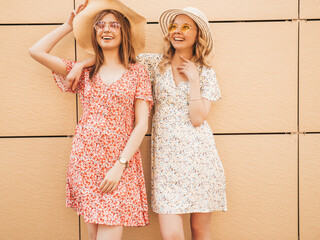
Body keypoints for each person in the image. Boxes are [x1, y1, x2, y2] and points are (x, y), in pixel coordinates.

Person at [67, 6, 227, 240]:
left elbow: (197, 118)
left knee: (200, 231)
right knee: (172, 235)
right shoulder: (153, 64)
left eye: (185, 27)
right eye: (174, 26)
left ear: (198, 35)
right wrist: (82, 64)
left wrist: (194, 79)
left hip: (200, 158)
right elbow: (115, 55)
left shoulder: (206, 73)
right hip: (166, 162)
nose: (178, 32)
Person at [29, 0, 153, 239]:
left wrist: (120, 165)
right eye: (100, 25)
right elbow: (36, 51)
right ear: (94, 33)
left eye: (114, 25)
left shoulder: (138, 72)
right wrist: (68, 25)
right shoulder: (83, 72)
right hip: (86, 161)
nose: (106, 29)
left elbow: (142, 124)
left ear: (124, 31)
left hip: (120, 163)